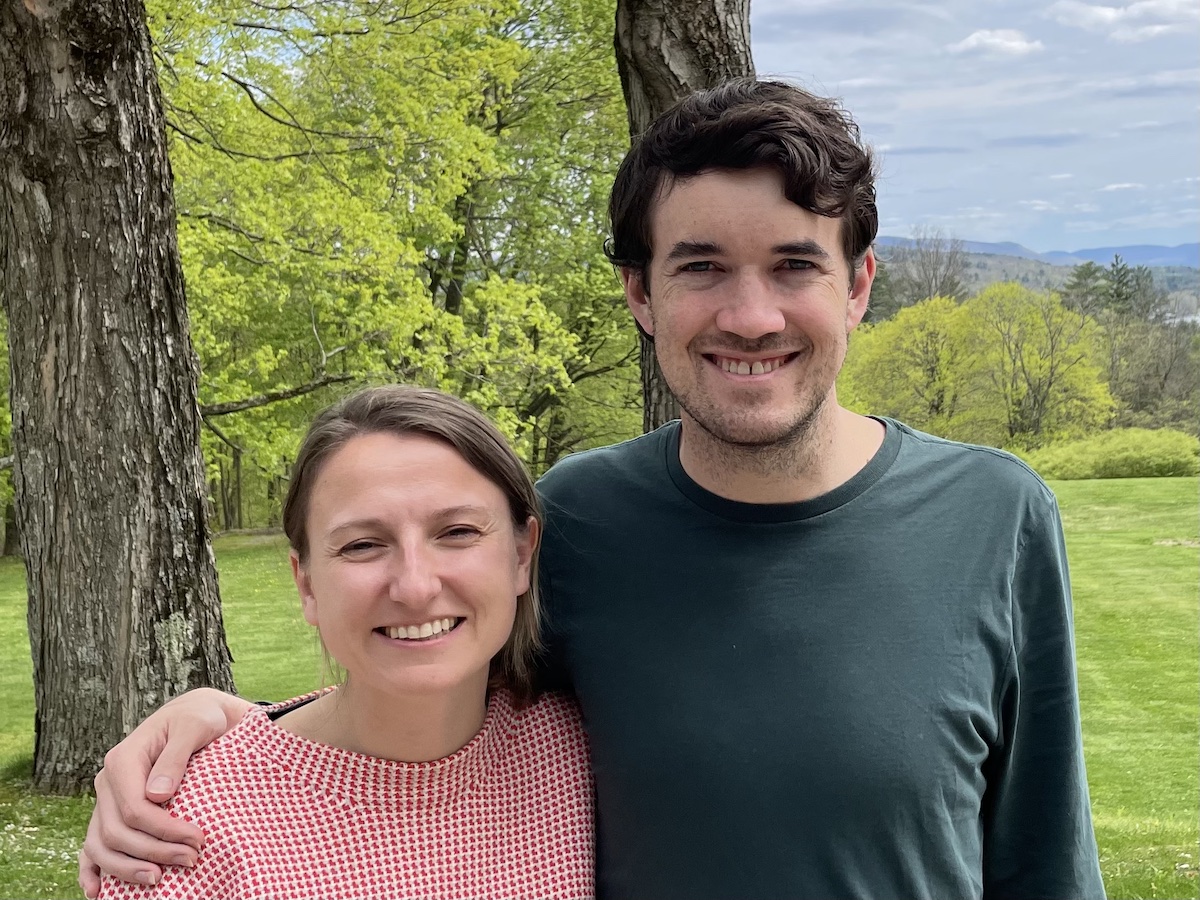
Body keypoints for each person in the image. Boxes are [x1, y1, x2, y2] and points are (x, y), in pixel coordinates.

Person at [81, 79, 1105, 900]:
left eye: (795, 265)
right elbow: (434, 665)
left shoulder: (995, 514)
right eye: (700, 267)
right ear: (640, 296)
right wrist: (224, 725)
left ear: (860, 284)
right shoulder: (578, 517)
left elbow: (1044, 859)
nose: (751, 316)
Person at [96, 385, 594, 900]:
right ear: (307, 584)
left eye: (458, 532)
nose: (416, 586)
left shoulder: (578, 749)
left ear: (520, 556)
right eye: (362, 545)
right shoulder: (185, 827)